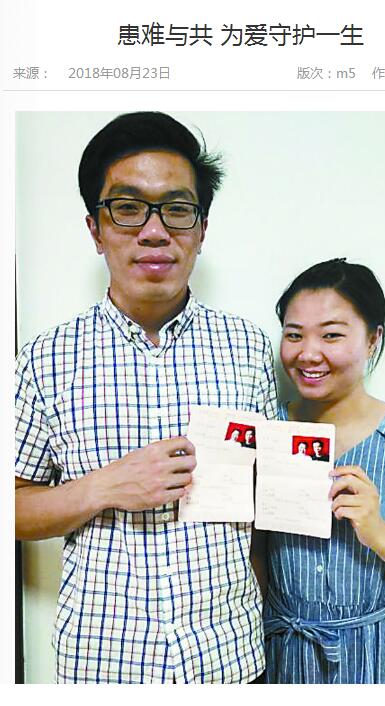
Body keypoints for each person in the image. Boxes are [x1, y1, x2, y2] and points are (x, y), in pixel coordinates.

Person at [15, 111, 277, 684]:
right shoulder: (44, 358)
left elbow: (263, 500)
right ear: (95, 229)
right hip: (104, 665)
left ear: (201, 229)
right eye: (128, 207)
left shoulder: (251, 348)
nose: (154, 232)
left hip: (230, 658)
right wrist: (104, 487)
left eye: (177, 210)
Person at [264, 258, 385, 684]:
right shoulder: (264, 430)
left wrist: (378, 532)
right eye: (294, 334)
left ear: (374, 339)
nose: (308, 353)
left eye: (331, 335)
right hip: (286, 656)